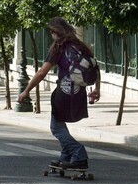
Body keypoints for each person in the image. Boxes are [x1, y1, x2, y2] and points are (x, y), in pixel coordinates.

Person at [18, 17, 100, 169]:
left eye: (51, 33)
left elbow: (42, 72)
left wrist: (26, 90)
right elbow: (95, 66)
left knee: (56, 126)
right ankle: (66, 156)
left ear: (54, 32)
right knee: (60, 123)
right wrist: (97, 89)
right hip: (79, 93)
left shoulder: (58, 47)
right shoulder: (79, 45)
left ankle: (78, 152)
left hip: (63, 92)